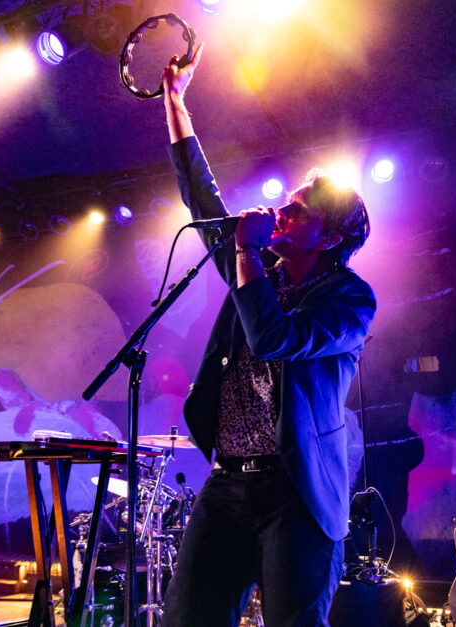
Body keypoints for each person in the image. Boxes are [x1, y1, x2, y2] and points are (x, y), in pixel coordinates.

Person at [159, 43, 376, 626]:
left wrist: (247, 253)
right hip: (227, 484)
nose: (282, 211)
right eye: (288, 202)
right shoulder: (251, 261)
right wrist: (175, 101)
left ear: (328, 240)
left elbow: (275, 338)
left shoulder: (351, 300)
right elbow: (200, 196)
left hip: (296, 494)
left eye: (299, 212)